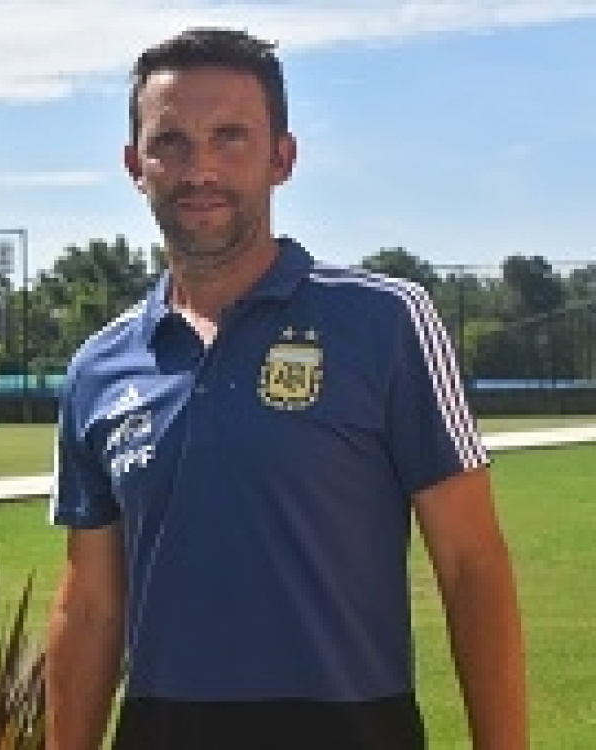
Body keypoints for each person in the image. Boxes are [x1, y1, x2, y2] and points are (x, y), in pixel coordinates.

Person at [45, 27, 526, 750]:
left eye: (230, 137)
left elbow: (470, 566)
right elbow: (90, 607)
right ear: (134, 165)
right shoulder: (99, 367)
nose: (200, 168)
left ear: (282, 158)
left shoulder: (387, 321)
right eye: (170, 142)